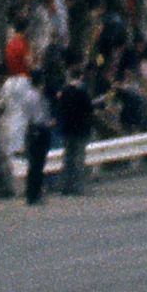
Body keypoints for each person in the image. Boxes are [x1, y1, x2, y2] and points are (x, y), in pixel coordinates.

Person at [4, 63, 49, 205]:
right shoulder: (35, 96)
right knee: (38, 164)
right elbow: (38, 116)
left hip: (31, 129)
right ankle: (35, 193)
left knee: (34, 164)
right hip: (38, 129)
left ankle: (32, 193)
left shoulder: (28, 95)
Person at [52, 58, 94, 195]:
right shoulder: (82, 92)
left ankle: (65, 186)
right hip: (81, 129)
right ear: (80, 76)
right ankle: (77, 187)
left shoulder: (64, 92)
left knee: (68, 158)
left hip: (67, 129)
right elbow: (88, 109)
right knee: (79, 159)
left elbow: (60, 110)